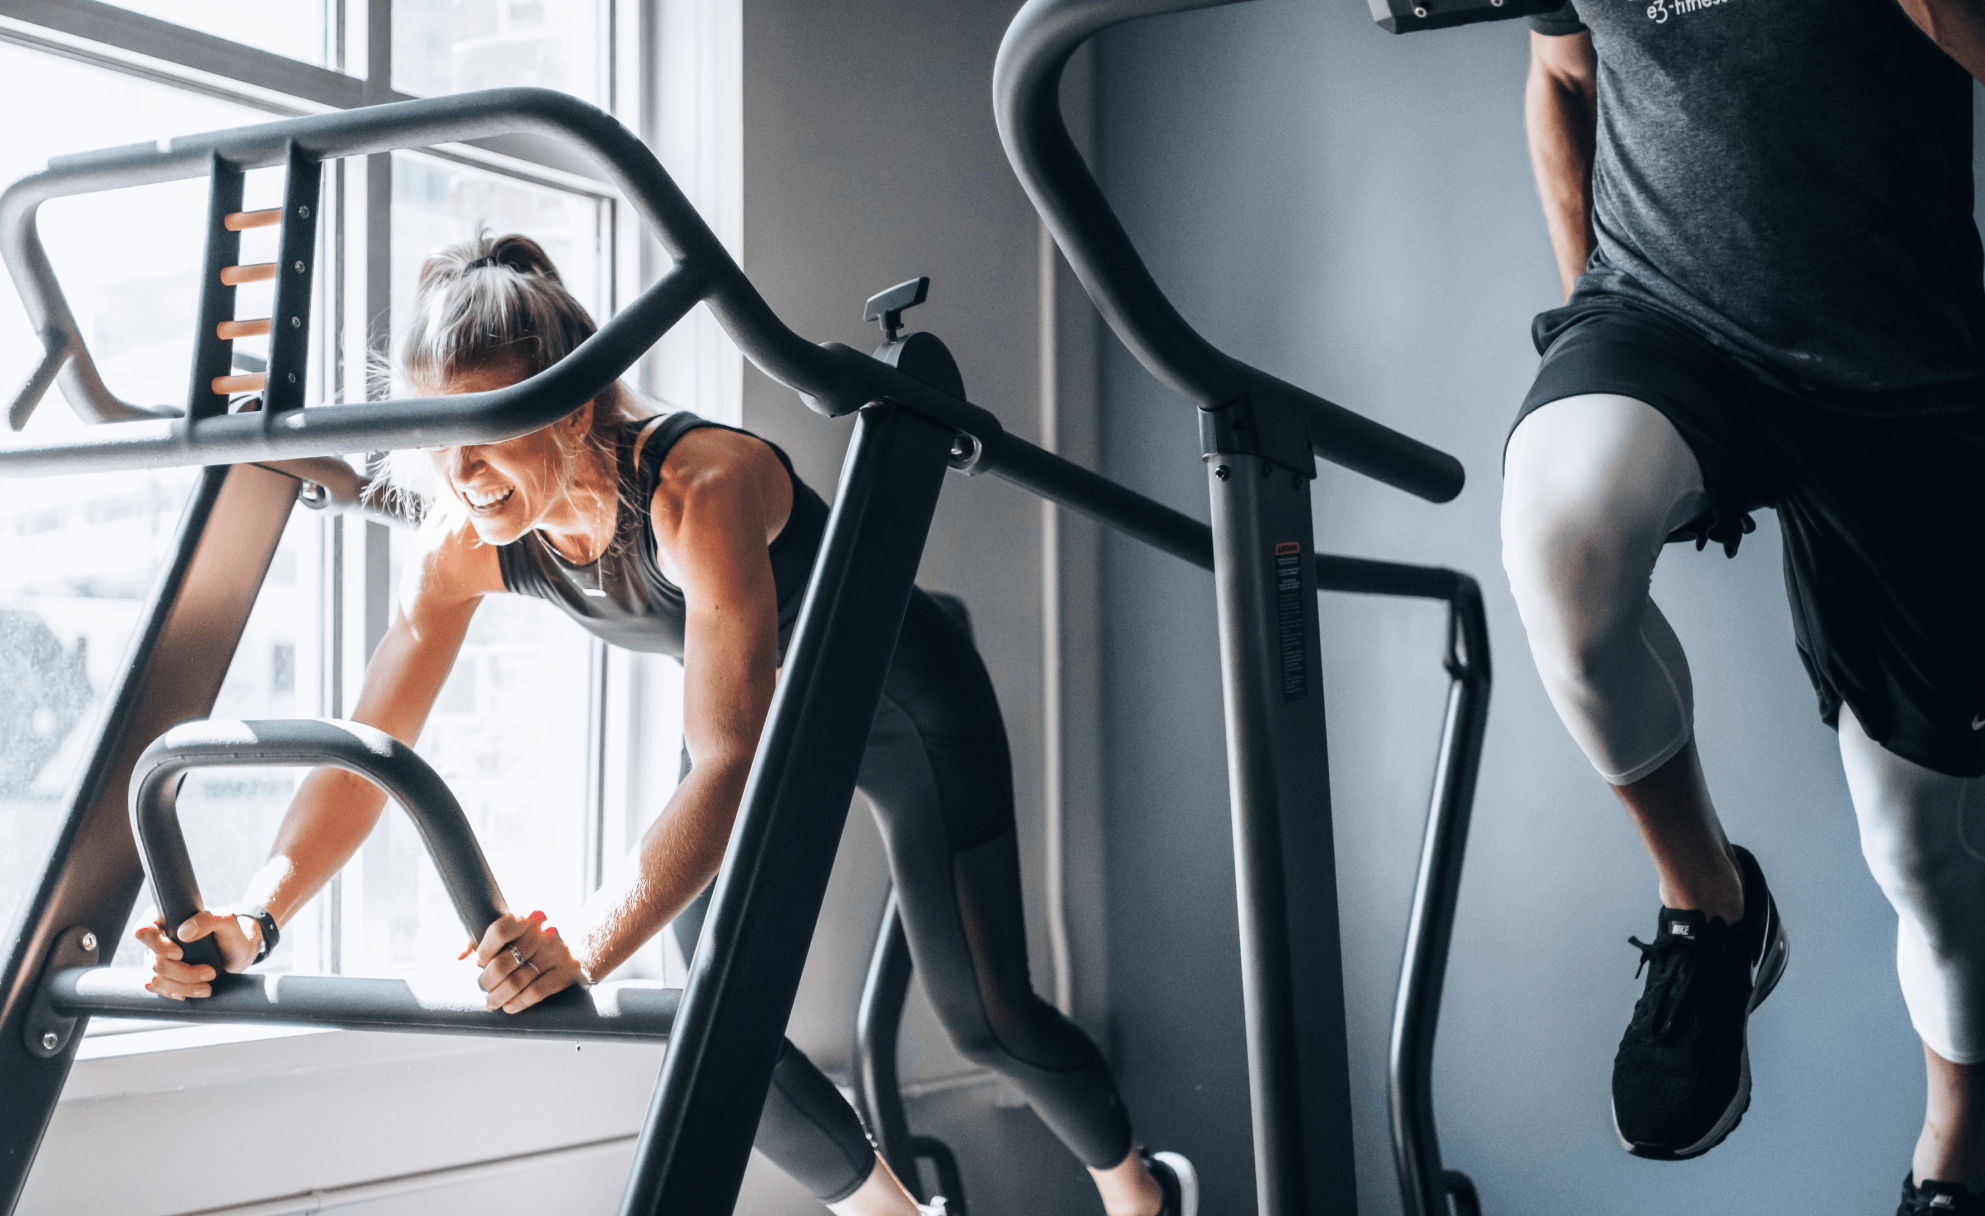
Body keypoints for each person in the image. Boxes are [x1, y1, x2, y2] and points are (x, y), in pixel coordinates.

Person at [132, 233, 1200, 1216]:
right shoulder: (467, 539)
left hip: (910, 709)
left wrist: (583, 948)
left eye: (488, 428)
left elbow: (731, 762)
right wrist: (255, 916)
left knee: (986, 1018)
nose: (461, 474)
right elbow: (365, 756)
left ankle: (1140, 1193)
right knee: (715, 1011)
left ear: (571, 405)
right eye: (435, 433)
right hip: (764, 719)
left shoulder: (699, 485)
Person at [1504, 2, 1985, 1212]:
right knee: (1558, 541)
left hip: (1899, 374)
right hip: (1663, 319)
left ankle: (1954, 1153)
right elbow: (1561, 73)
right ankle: (1711, 906)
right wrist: (1589, 299)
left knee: (1924, 850)